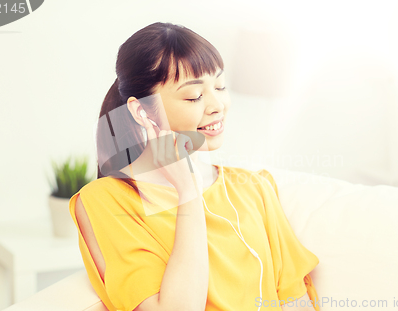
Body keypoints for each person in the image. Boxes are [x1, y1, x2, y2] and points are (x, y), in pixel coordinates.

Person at [69, 22, 320, 311]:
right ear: (142, 112)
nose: (217, 105)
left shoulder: (254, 188)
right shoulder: (106, 201)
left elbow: (295, 300)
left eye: (220, 86)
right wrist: (188, 191)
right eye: (194, 96)